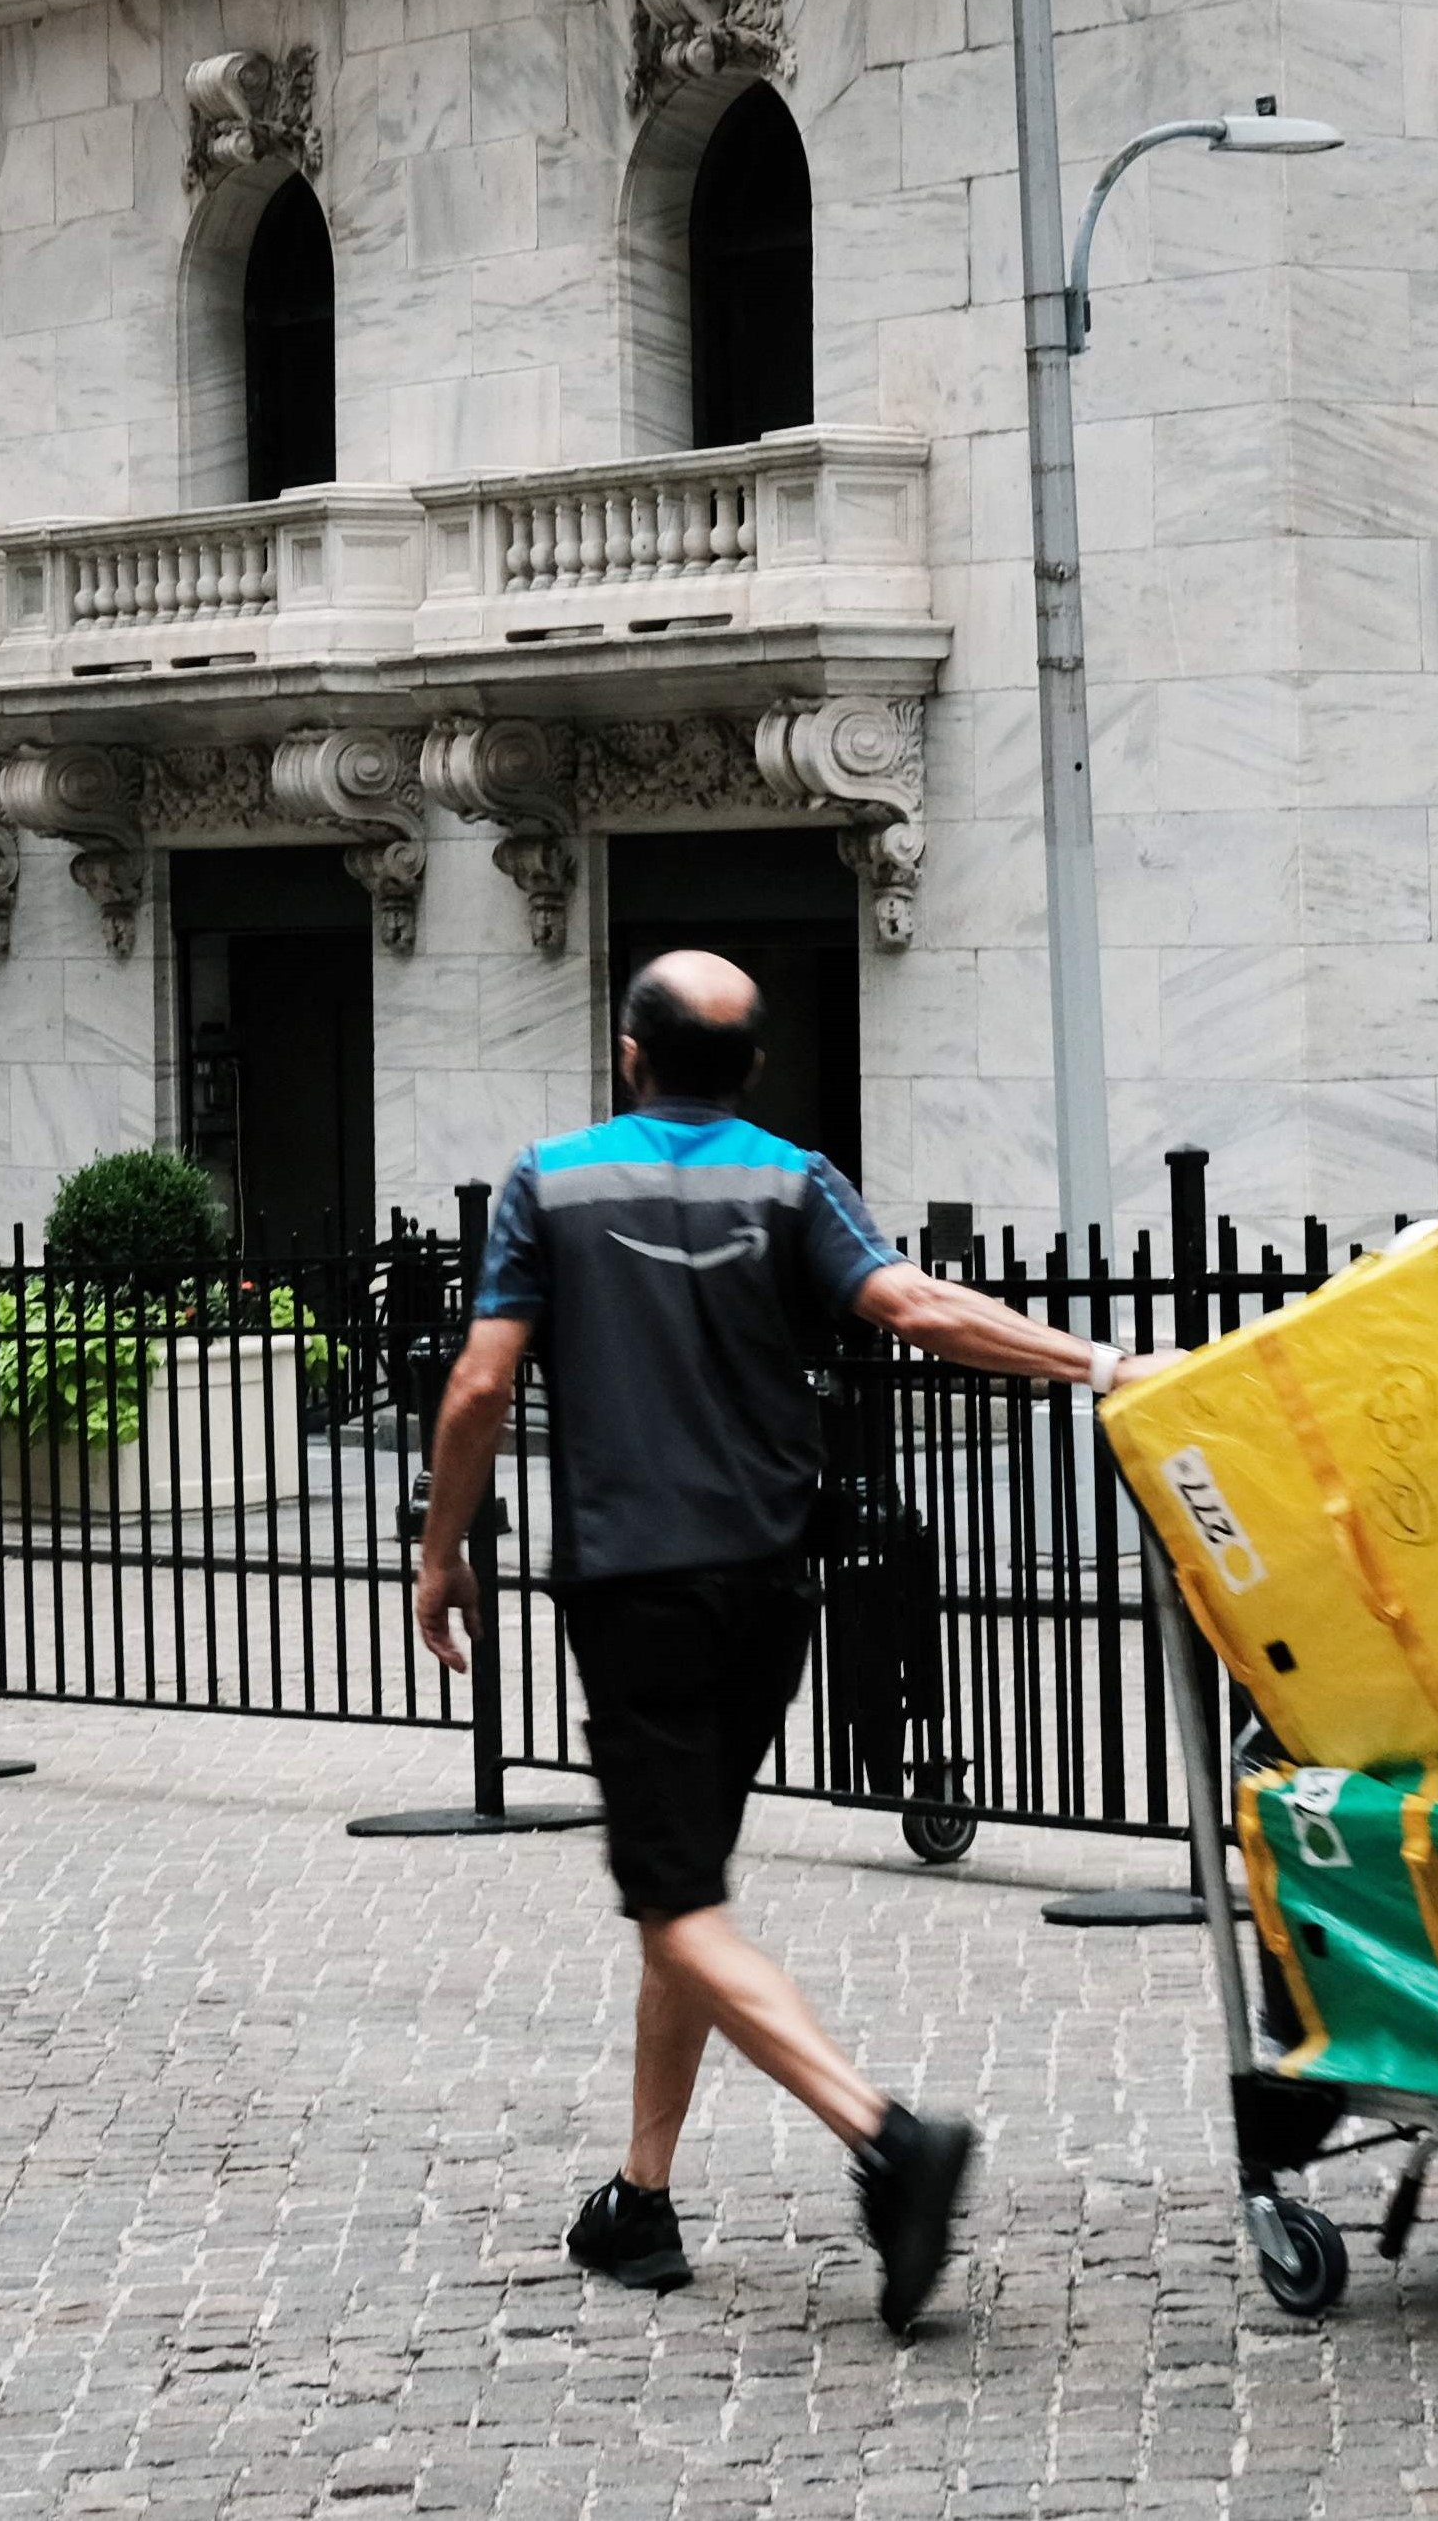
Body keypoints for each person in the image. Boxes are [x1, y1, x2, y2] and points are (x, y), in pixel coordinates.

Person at [414, 950, 1176, 2333]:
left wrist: (440, 1549)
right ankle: (641, 2201)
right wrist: (1104, 1363)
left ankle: (887, 2139)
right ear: (749, 1065)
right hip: (771, 1584)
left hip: (636, 1586)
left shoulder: (552, 1180)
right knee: (687, 1888)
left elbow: (478, 1382)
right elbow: (920, 1308)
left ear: (631, 1053)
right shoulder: (793, 1178)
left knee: (674, 1899)